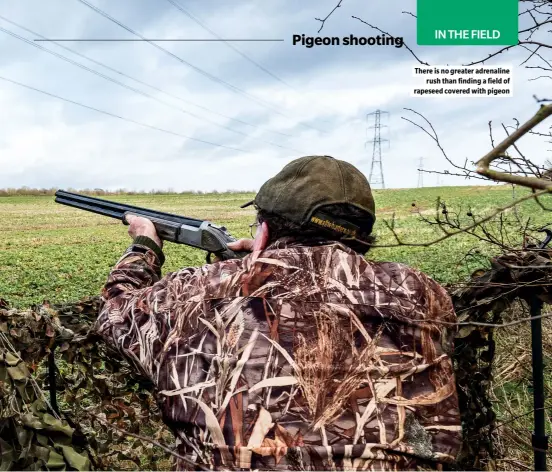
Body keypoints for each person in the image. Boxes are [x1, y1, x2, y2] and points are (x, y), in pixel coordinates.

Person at [96, 155, 462, 471]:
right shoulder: (421, 291)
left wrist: (145, 245)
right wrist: (259, 264)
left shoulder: (198, 289)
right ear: (364, 236)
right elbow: (323, 294)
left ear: (265, 228)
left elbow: (114, 313)